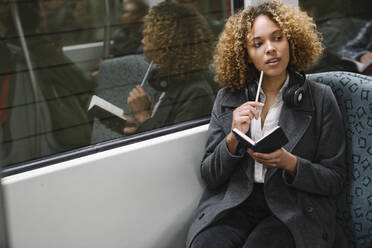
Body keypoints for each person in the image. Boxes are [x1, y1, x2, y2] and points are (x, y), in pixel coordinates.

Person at [186, 1, 347, 248]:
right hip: (237, 204)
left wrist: (290, 163)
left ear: (292, 41)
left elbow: (334, 179)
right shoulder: (228, 98)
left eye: (277, 38)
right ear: (246, 55)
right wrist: (232, 139)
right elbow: (210, 176)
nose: (270, 49)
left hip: (294, 207)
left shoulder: (321, 98)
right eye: (258, 44)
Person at [121, 2, 216, 134]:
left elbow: (170, 146)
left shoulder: (196, 93)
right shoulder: (168, 82)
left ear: (167, 43)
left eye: (149, 35)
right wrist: (138, 127)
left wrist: (142, 115)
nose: (142, 41)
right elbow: (161, 126)